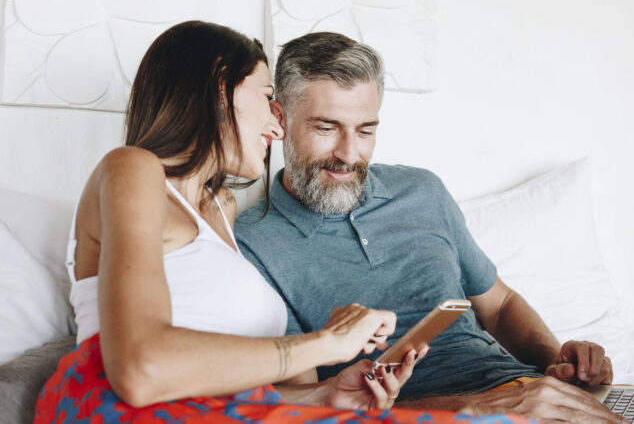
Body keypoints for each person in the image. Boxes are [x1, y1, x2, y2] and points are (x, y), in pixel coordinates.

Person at [32, 21, 464, 424]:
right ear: (222, 89)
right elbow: (142, 369)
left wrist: (327, 393)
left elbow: (220, 387)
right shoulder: (132, 169)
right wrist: (325, 343)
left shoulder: (223, 208)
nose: (278, 126)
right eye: (266, 95)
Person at [234, 32, 626, 423]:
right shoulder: (252, 245)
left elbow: (501, 306)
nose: (349, 154)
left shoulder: (422, 190)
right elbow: (311, 407)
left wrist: (561, 369)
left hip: (525, 394)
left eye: (366, 130)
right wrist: (477, 409)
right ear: (279, 118)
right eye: (326, 128)